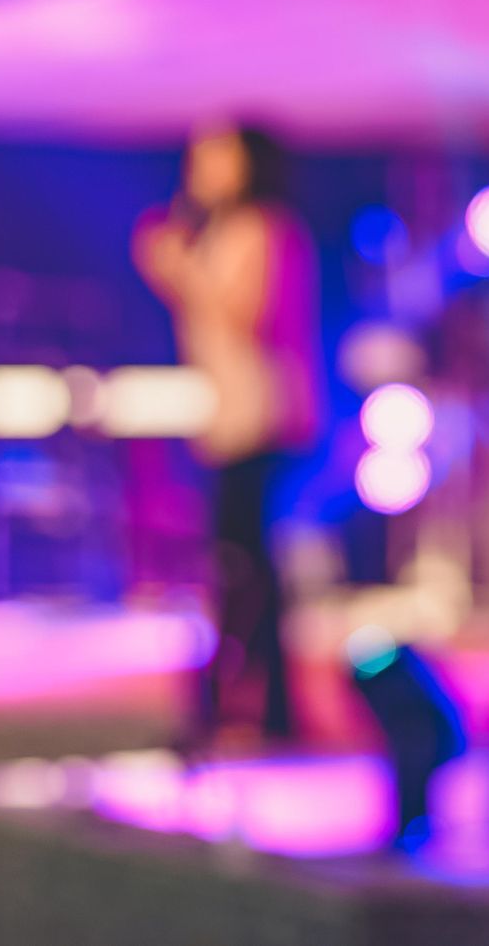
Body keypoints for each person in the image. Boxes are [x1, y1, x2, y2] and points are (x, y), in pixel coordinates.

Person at [134, 124, 321, 744]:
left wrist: (179, 270)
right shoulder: (227, 231)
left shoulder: (261, 228)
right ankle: (258, 704)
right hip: (229, 416)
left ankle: (249, 703)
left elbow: (245, 315)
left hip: (259, 417)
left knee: (242, 566)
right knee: (242, 564)